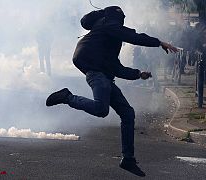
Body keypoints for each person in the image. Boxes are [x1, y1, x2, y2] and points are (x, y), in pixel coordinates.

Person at [46, 6, 178, 176]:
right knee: (101, 109)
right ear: (116, 18)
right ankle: (67, 97)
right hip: (96, 73)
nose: (122, 23)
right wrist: (158, 42)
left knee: (128, 113)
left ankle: (128, 159)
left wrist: (138, 74)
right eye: (121, 19)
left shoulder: (108, 40)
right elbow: (133, 37)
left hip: (104, 75)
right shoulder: (108, 25)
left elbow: (116, 68)